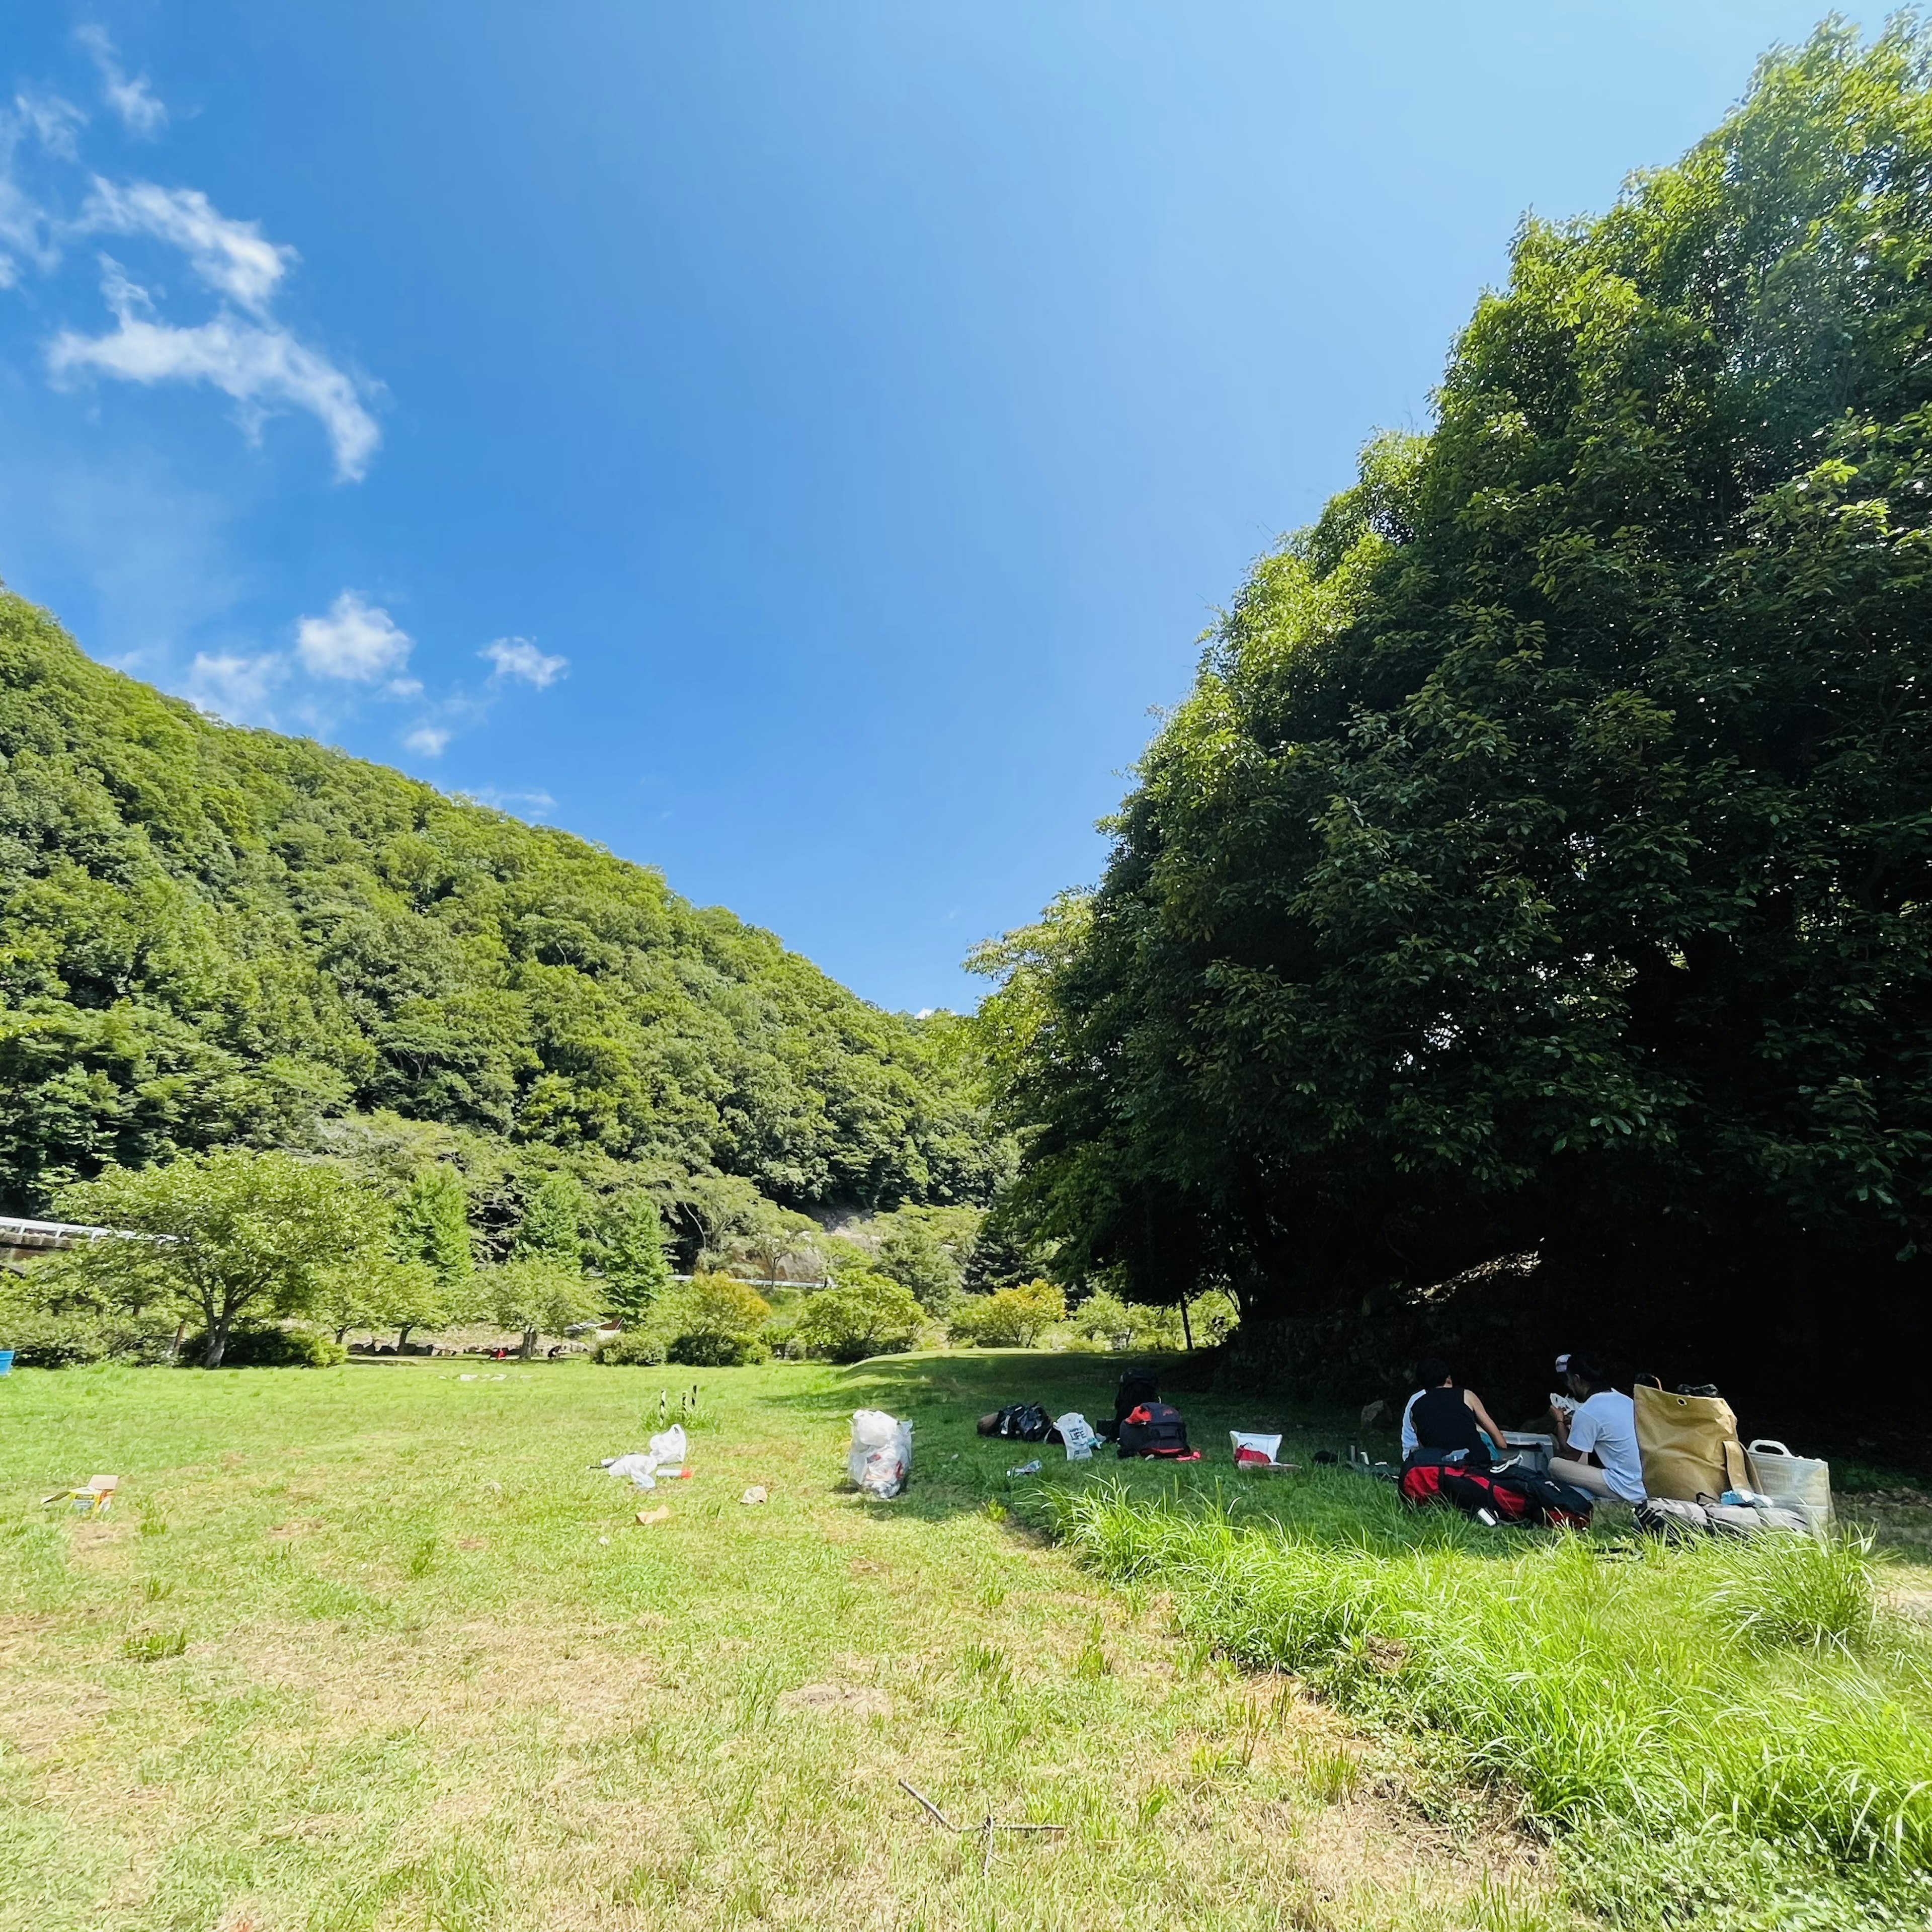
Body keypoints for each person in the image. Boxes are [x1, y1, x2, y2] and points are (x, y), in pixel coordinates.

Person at [1548, 1351, 1645, 1503]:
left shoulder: (1588, 1410)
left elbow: (1570, 1455)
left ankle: (1583, 1499)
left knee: (1555, 1465)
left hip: (1624, 1487)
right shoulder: (1626, 1400)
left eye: (1569, 1380)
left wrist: (1559, 1421)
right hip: (1643, 1484)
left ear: (1576, 1379)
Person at [1400, 1358, 1512, 1466]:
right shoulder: (1466, 1395)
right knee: (1479, 1429)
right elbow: (1501, 1443)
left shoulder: (1415, 1408)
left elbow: (1425, 1445)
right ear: (1448, 1379)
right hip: (1477, 1462)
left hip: (1440, 1465)